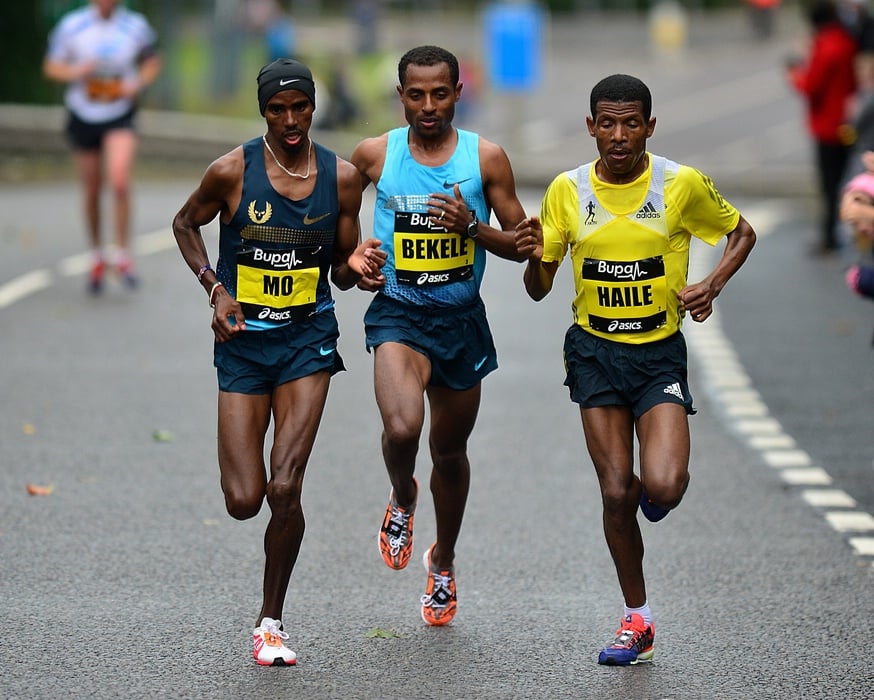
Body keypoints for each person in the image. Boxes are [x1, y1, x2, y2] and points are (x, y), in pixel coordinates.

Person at [514, 74, 756, 665]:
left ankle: (651, 498)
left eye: (631, 123)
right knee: (617, 491)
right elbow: (538, 289)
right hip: (594, 353)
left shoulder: (680, 185)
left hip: (658, 355)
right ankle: (637, 620)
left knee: (665, 485)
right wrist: (535, 258)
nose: (618, 136)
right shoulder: (567, 191)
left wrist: (710, 285)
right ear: (591, 127)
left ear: (650, 126)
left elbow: (741, 232)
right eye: (607, 123)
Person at [171, 58, 384, 666]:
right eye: (277, 110)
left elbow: (341, 268)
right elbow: (185, 224)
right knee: (244, 498)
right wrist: (216, 288)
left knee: (284, 486)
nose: (290, 121)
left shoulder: (342, 180)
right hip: (244, 343)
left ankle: (271, 623)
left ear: (314, 107)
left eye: (300, 108)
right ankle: (268, 598)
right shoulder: (231, 172)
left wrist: (359, 269)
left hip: (307, 343)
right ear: (262, 111)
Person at [349, 45, 527, 626]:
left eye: (440, 94)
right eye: (416, 95)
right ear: (400, 96)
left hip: (460, 322)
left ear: (457, 93)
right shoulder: (375, 156)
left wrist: (471, 227)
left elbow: (524, 244)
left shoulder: (487, 160)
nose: (428, 106)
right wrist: (353, 259)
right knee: (402, 428)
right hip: (398, 312)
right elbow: (338, 231)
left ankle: (443, 559)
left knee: (449, 453)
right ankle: (403, 495)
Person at [43, 0, 162, 293]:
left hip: (119, 113)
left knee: (119, 180)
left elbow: (152, 62)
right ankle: (97, 252)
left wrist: (137, 83)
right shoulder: (72, 25)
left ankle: (121, 254)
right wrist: (76, 73)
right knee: (93, 188)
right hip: (83, 113)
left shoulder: (135, 25)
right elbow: (51, 66)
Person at [786, 0, 858, 254]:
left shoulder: (825, 47)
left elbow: (811, 87)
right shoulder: (846, 41)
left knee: (829, 184)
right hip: (848, 121)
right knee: (846, 177)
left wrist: (794, 74)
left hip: (827, 126)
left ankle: (830, 237)